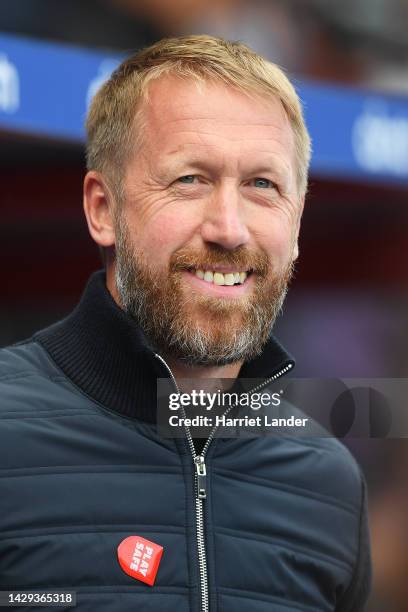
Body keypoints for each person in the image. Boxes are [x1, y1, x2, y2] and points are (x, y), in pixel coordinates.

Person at [0, 35, 370, 611]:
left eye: (262, 185)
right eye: (189, 179)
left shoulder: (329, 484)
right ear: (104, 209)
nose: (229, 228)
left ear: (296, 226)